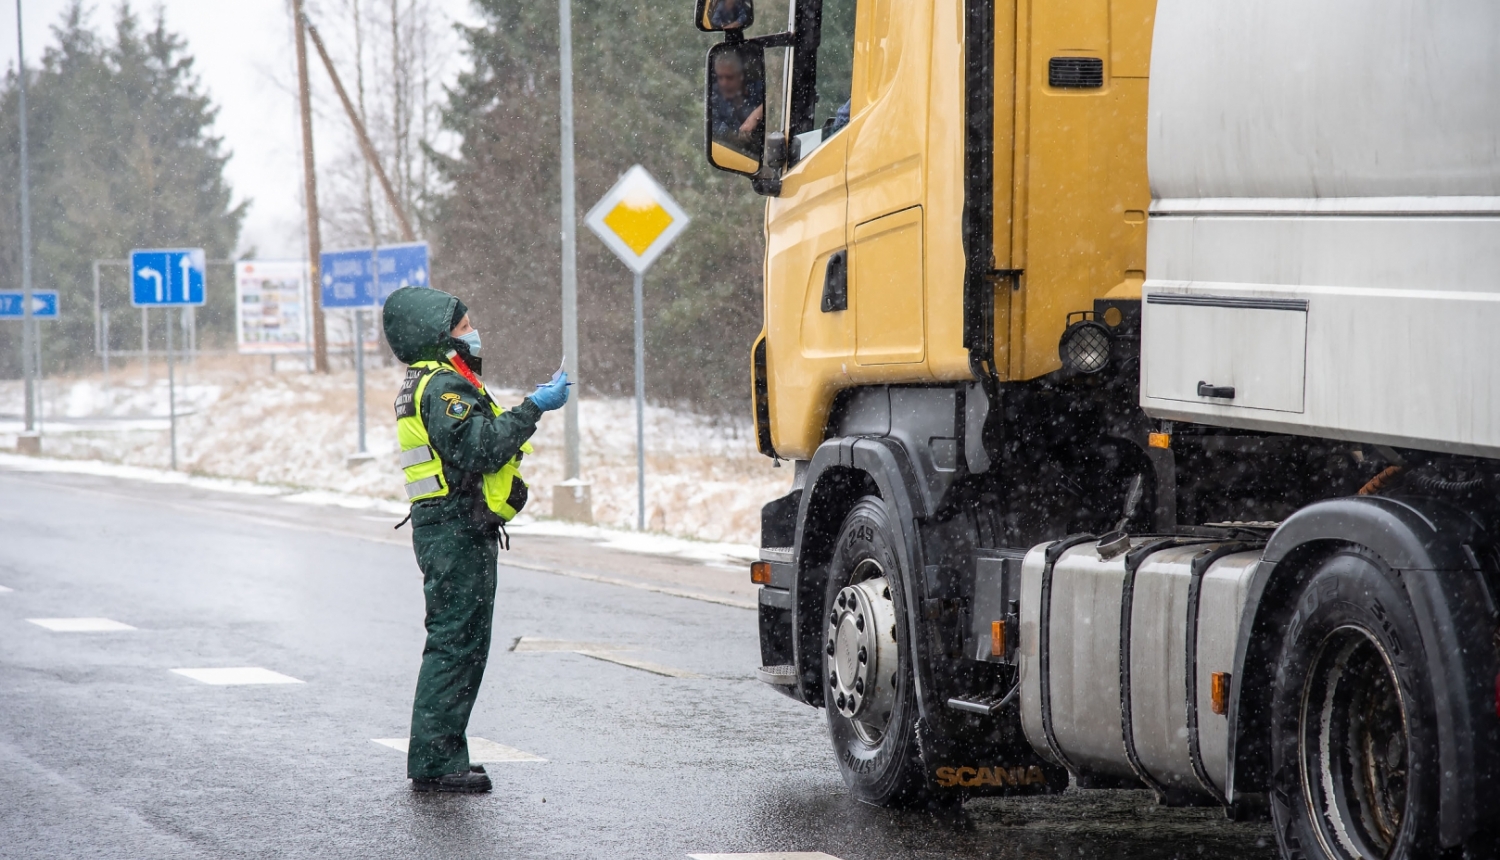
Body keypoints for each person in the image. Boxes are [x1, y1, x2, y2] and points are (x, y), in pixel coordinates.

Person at [382, 286, 571, 793]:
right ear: (437, 335)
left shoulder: (433, 381)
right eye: (463, 326)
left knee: (459, 644)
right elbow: (482, 448)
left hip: (453, 527)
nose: (473, 332)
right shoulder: (442, 388)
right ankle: (437, 762)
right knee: (454, 645)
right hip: (454, 530)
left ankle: (441, 755)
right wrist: (533, 408)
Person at [709, 50, 765, 152]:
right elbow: (713, 125)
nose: (724, 83)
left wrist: (756, 116)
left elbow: (776, 99)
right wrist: (736, 136)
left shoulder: (758, 88)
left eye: (729, 77)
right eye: (720, 77)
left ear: (741, 76)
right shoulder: (713, 96)